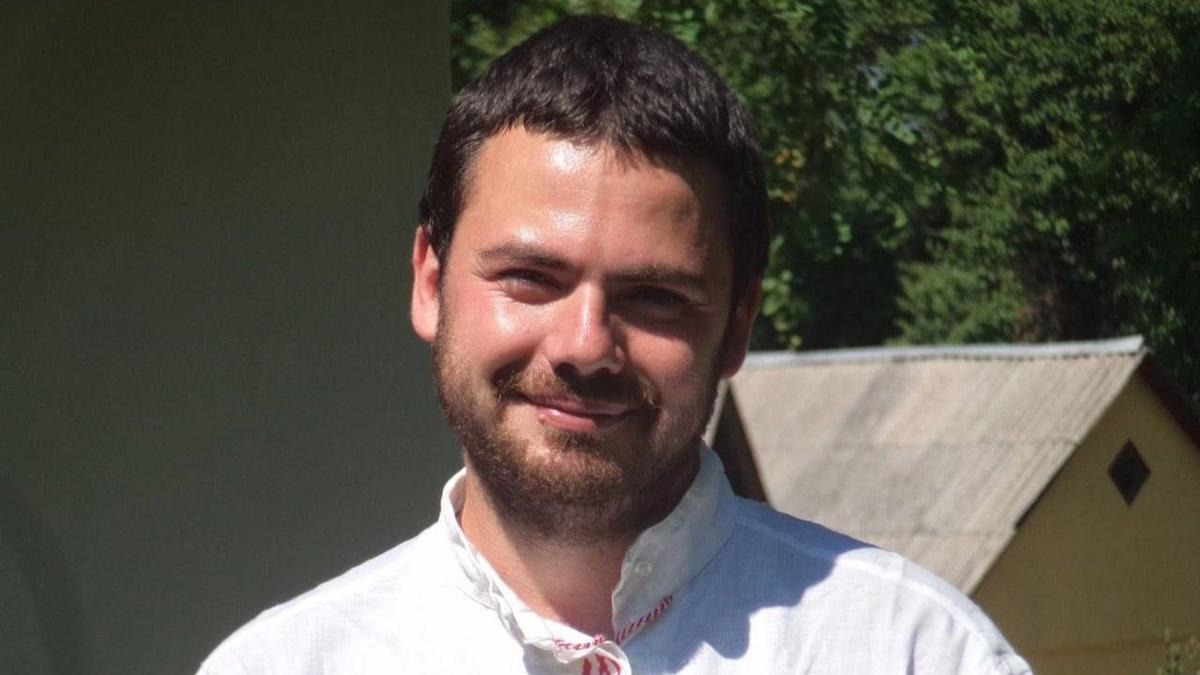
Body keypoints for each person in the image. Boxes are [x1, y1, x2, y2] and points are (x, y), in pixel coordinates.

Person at [198, 15, 1030, 674]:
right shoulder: (285, 664)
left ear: (737, 325)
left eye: (655, 296)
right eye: (530, 276)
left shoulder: (914, 652)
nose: (585, 345)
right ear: (430, 281)